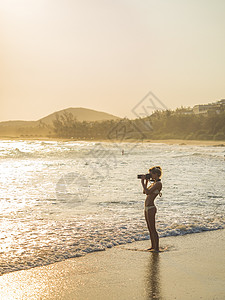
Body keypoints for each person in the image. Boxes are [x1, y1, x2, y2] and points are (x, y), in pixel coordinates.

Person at [141, 166, 162, 252]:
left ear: (156, 174)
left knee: (153, 229)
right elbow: (144, 192)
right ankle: (152, 246)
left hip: (151, 208)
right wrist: (145, 182)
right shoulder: (153, 183)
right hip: (146, 208)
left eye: (151, 174)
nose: (150, 175)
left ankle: (156, 248)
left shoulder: (158, 184)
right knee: (149, 228)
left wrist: (142, 182)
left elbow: (148, 192)